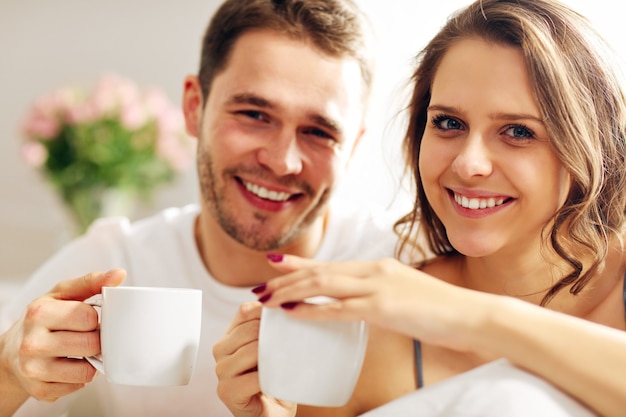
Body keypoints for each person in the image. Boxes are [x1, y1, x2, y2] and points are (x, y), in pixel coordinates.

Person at [0, 1, 415, 416]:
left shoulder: (406, 274)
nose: (282, 160)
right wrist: (8, 372)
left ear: (353, 147)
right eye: (254, 114)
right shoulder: (112, 262)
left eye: (319, 132)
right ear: (194, 108)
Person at [245, 0, 626, 416]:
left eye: (518, 131)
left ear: (589, 145)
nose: (468, 164)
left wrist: (473, 318)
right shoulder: (372, 334)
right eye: (448, 123)